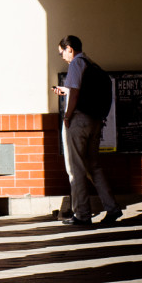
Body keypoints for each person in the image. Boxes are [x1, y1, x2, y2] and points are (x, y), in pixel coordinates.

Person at [53, 35, 123, 227]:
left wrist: (67, 116)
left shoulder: (75, 64)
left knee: (75, 168)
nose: (63, 57)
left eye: (62, 53)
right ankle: (112, 207)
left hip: (79, 120)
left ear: (70, 49)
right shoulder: (91, 64)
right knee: (94, 166)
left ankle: (82, 214)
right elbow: (79, 91)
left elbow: (75, 93)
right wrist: (65, 90)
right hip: (95, 121)